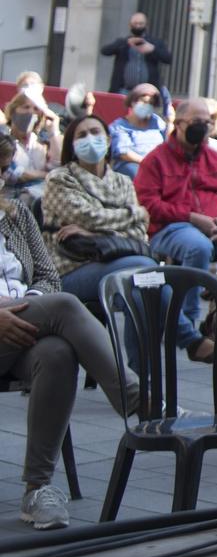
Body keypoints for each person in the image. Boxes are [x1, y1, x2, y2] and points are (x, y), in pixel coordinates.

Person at [0, 192, 142, 529]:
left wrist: (27, 309)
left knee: (58, 354)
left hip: (22, 328)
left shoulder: (15, 211)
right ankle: (137, 398)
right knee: (64, 306)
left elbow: (49, 276)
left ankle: (37, 489)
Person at [136, 97, 217, 363]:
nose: (203, 127)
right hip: (170, 228)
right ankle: (189, 323)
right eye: (197, 122)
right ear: (179, 124)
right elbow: (148, 203)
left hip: (216, 228)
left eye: (207, 122)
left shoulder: (216, 160)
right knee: (198, 246)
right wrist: (193, 218)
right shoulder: (156, 160)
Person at [39, 115, 158, 309]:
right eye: (82, 135)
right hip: (70, 267)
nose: (90, 138)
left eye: (95, 132)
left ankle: (180, 338)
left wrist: (96, 234)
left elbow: (139, 233)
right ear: (73, 146)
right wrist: (136, 213)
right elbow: (88, 217)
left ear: (108, 140)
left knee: (155, 286)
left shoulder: (123, 181)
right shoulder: (60, 179)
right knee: (143, 271)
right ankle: (190, 339)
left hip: (119, 259)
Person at [108, 83, 169, 181]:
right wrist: (146, 162)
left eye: (151, 103)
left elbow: (168, 141)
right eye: (144, 102)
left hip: (158, 165)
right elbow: (123, 153)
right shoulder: (119, 126)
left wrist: (170, 122)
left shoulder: (157, 122)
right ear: (133, 102)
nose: (147, 106)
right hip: (132, 166)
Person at [100, 12, 171, 96]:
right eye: (135, 24)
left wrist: (153, 49)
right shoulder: (122, 43)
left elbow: (168, 58)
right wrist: (126, 42)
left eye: (141, 24)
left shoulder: (155, 43)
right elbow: (104, 51)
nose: (138, 26)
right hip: (124, 91)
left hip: (147, 93)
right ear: (130, 25)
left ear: (146, 25)